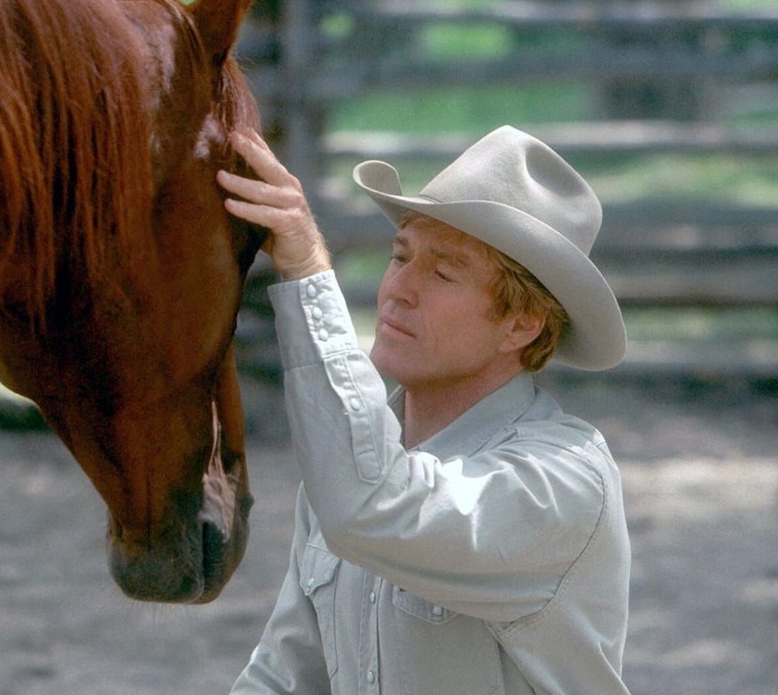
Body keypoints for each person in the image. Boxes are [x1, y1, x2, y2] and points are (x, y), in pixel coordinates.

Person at [217, 125, 632, 694]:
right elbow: (287, 678)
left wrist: (308, 271)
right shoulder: (349, 463)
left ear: (521, 324)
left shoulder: (562, 483)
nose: (398, 290)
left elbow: (373, 505)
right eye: (400, 256)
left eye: (442, 273)